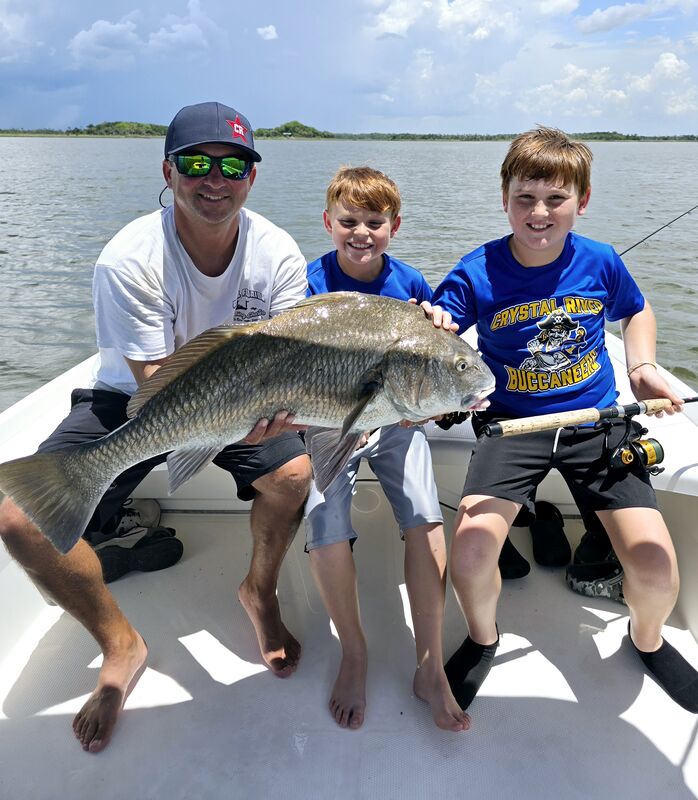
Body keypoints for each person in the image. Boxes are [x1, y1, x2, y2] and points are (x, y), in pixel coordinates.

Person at [0, 101, 313, 752]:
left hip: (245, 401)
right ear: (169, 172)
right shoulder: (129, 258)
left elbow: (290, 362)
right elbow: (156, 390)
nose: (215, 180)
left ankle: (259, 592)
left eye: (233, 167)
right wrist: (227, 428)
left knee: (292, 475)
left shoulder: (278, 252)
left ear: (252, 178)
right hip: (138, 399)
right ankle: (121, 643)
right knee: (19, 519)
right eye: (196, 164)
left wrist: (270, 418)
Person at [426, 126, 698, 715]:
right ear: (504, 199)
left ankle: (647, 640)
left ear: (583, 200)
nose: (539, 212)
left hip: (596, 421)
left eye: (556, 198)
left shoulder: (600, 260)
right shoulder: (477, 271)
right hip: (511, 427)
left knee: (655, 566)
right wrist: (436, 330)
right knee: (470, 553)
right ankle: (483, 638)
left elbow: (636, 309)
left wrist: (642, 366)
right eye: (525, 197)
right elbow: (439, 325)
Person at [303, 166, 470, 732]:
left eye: (375, 223)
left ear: (394, 227)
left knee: (426, 516)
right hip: (330, 419)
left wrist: (441, 327)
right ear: (328, 223)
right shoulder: (308, 281)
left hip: (398, 418)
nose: (361, 233)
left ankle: (430, 664)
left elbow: (435, 354)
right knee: (324, 519)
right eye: (348, 221)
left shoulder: (412, 283)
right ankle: (353, 651)